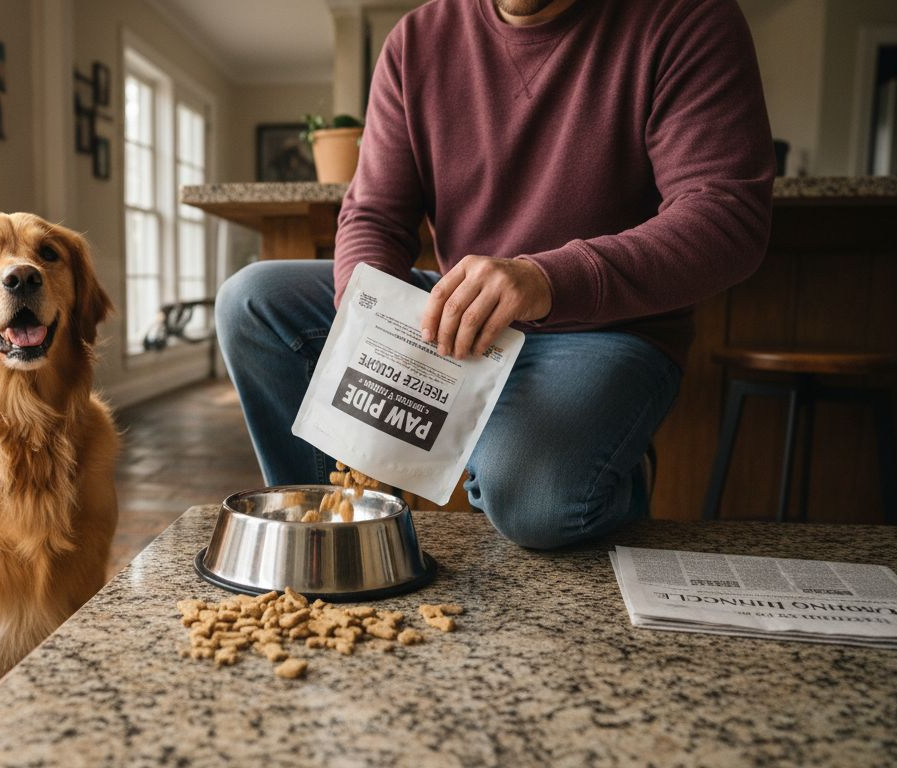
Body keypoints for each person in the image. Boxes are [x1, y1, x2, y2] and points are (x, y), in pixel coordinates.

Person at [216, 0, 774, 549]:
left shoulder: (688, 19)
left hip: (605, 329)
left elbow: (726, 218)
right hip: (461, 310)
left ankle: (609, 479)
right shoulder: (415, 42)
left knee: (534, 501)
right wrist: (368, 324)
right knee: (253, 300)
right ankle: (337, 538)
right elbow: (375, 215)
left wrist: (545, 279)